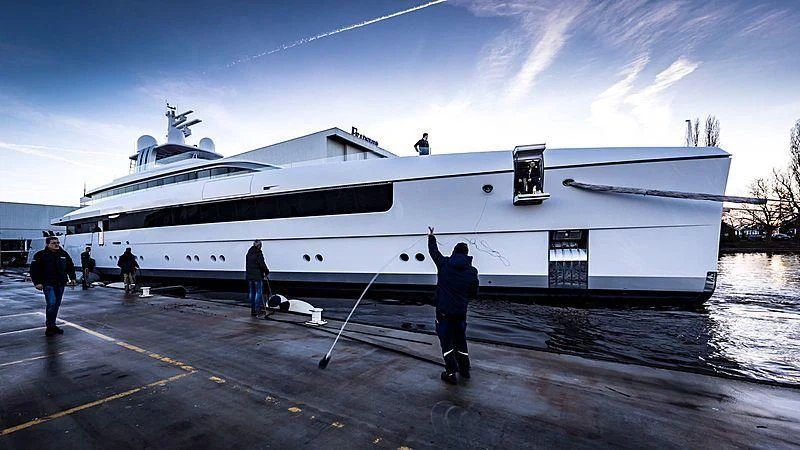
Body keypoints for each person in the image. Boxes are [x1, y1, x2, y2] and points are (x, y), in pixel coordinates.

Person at [427, 227, 479, 385]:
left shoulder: (444, 264)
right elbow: (474, 293)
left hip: (444, 313)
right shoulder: (472, 272)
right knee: (460, 340)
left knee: (446, 342)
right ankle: (464, 369)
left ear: (454, 252)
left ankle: (451, 372)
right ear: (467, 254)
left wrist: (431, 237)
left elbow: (433, 252)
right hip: (460, 313)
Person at [30, 237, 76, 336]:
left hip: (60, 283)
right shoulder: (40, 255)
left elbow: (70, 266)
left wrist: (72, 277)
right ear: (47, 244)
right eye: (53, 243)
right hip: (48, 283)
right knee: (51, 303)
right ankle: (49, 326)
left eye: (58, 242)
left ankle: (52, 325)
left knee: (56, 305)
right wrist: (37, 282)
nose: (56, 244)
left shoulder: (63, 254)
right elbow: (34, 270)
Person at [245, 240, 270, 317]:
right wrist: (266, 271)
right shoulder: (258, 253)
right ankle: (257, 310)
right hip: (257, 276)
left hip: (250, 276)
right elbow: (262, 264)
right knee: (258, 293)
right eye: (261, 245)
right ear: (259, 245)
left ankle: (253, 310)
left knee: (252, 293)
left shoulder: (249, 253)